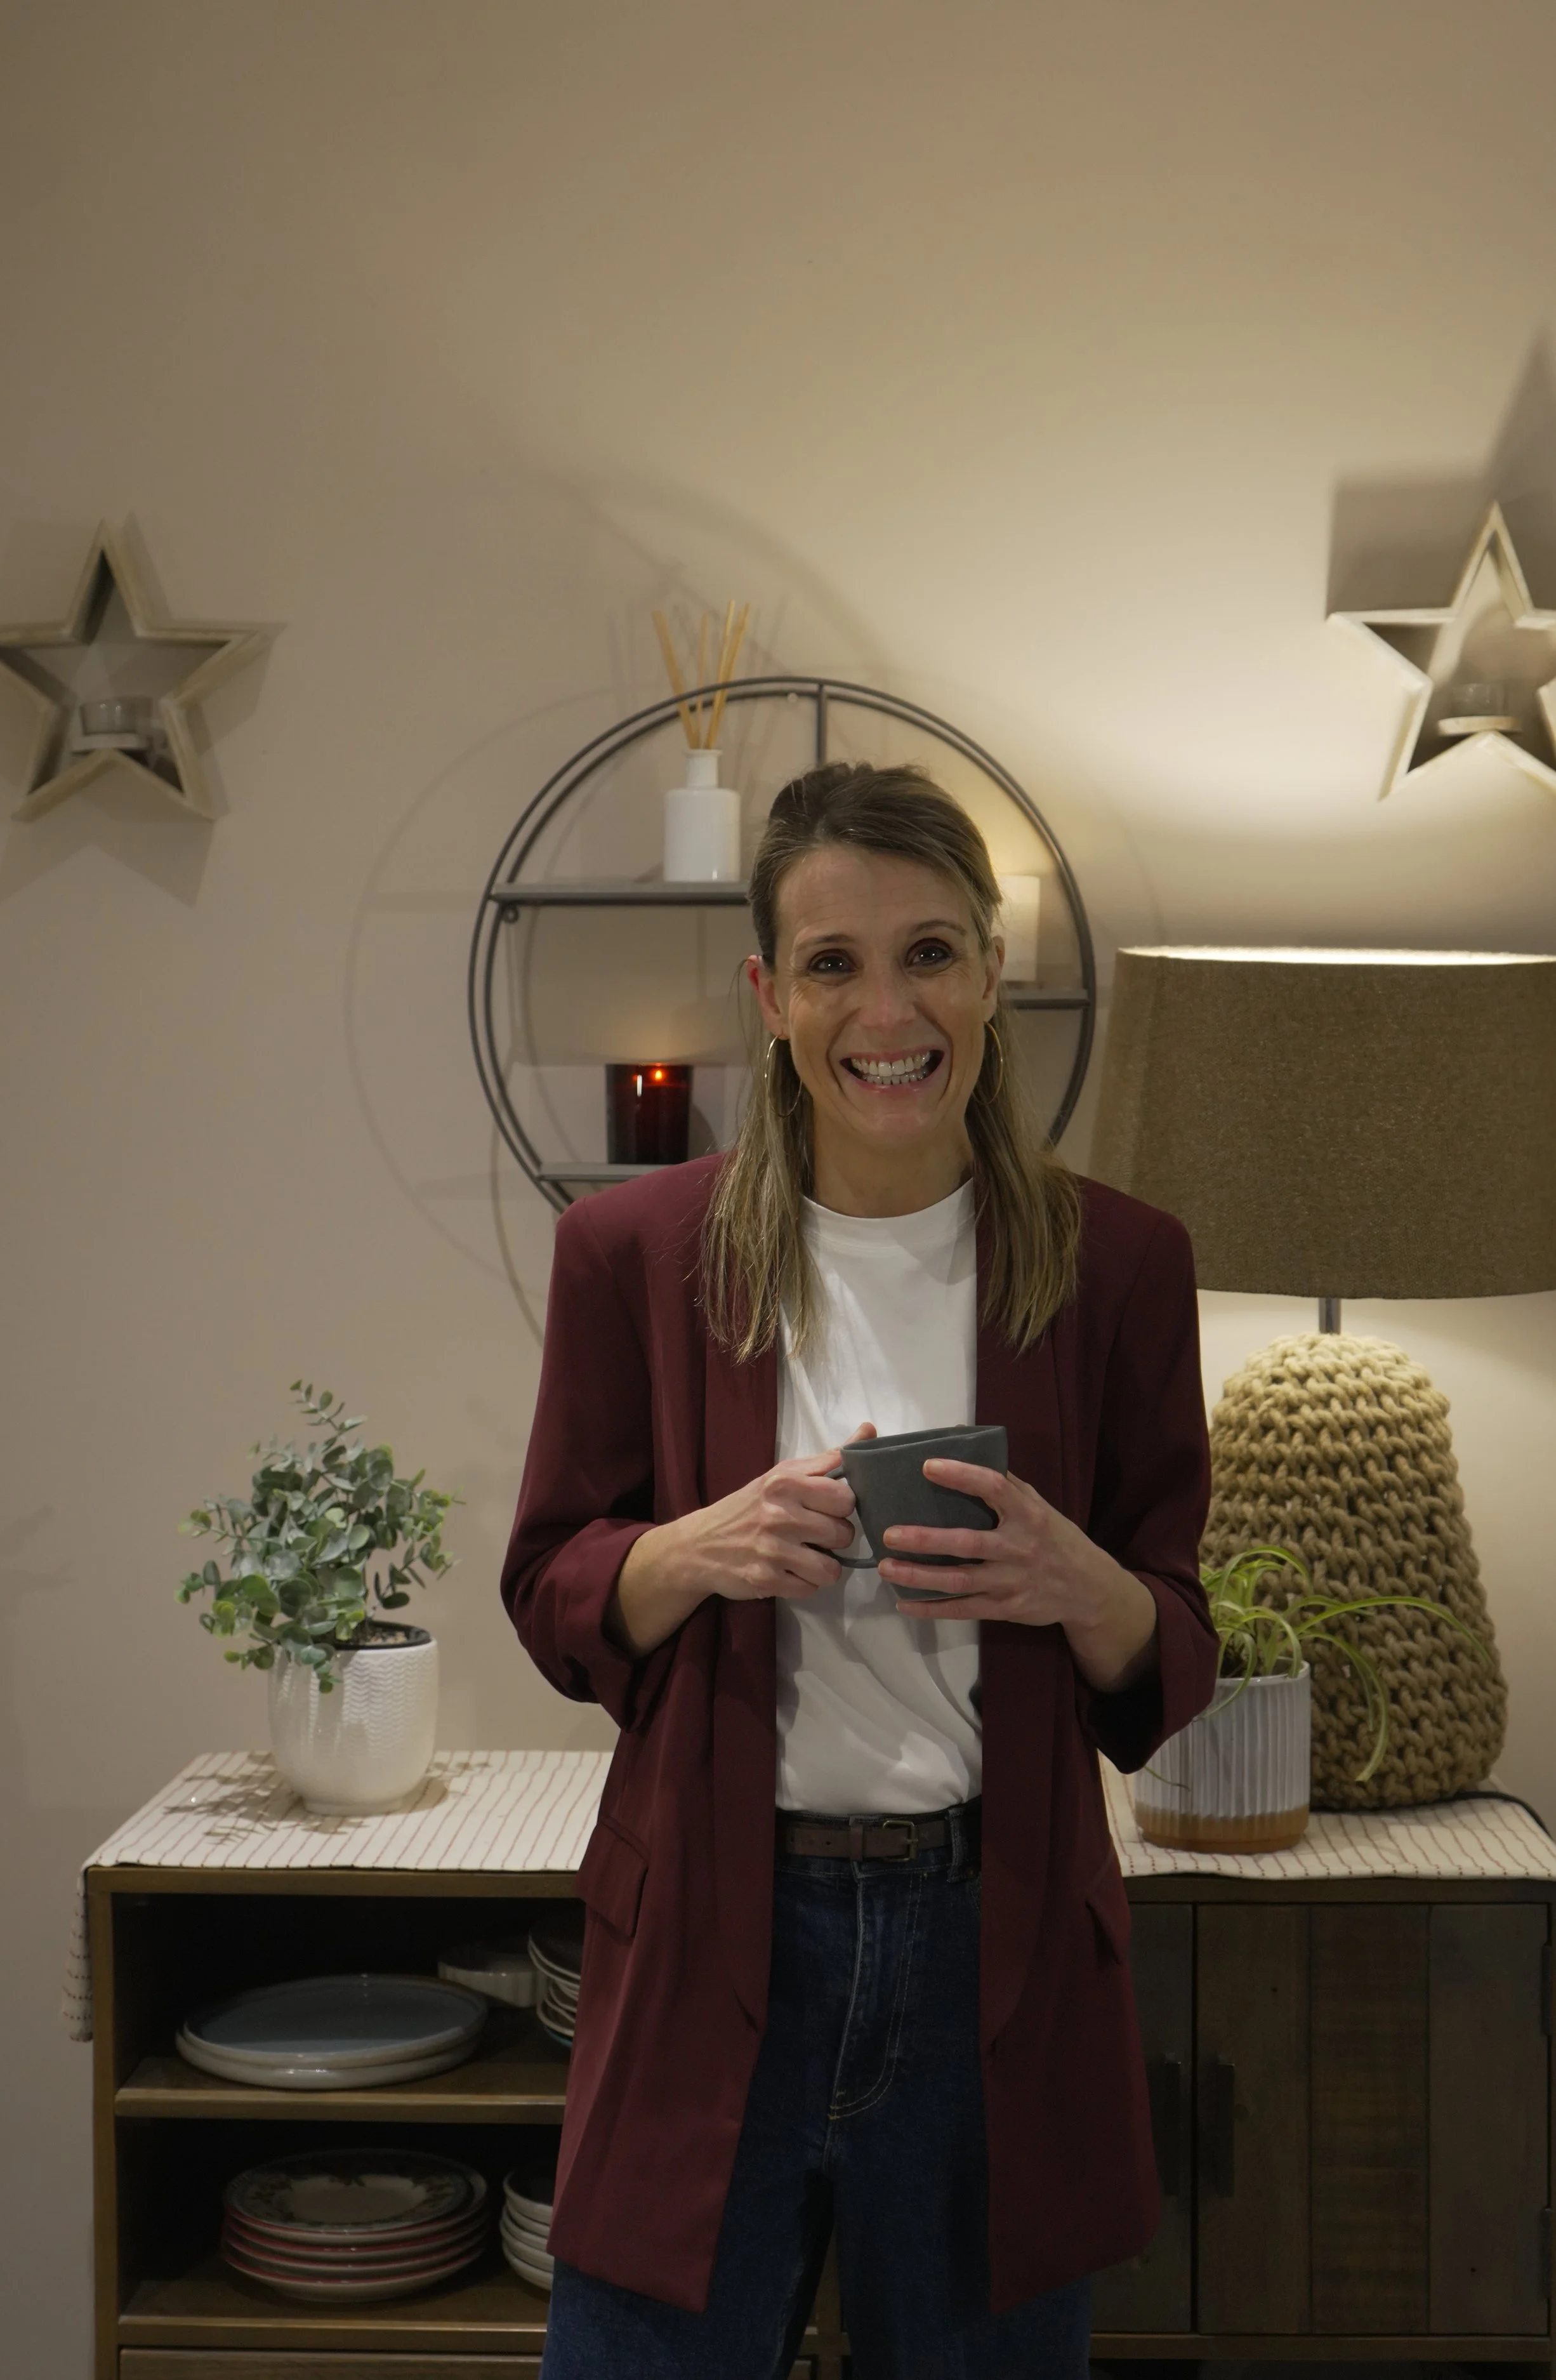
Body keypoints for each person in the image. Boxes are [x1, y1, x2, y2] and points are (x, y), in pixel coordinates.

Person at [503, 761, 1216, 2380]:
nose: (885, 1009)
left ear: (987, 974)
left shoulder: (1118, 1267)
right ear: (765, 993)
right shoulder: (637, 1257)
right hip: (707, 1941)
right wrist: (692, 1551)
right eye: (831, 962)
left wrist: (1068, 1577)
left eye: (930, 953)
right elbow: (551, 1587)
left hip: (995, 1962)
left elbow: (1173, 1647)